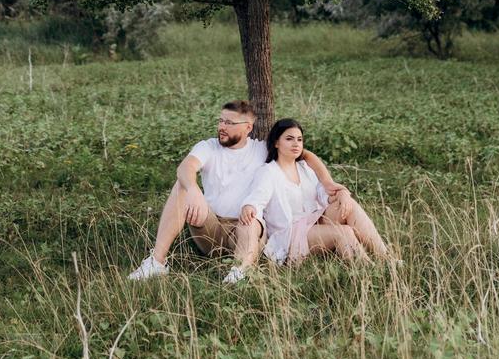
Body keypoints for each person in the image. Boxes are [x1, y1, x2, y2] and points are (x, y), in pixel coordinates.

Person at [127, 101, 350, 284]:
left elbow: (305, 155)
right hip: (210, 227)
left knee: (252, 218)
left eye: (230, 123)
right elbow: (185, 168)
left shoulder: (262, 149)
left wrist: (327, 181)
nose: (222, 126)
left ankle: (240, 272)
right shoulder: (208, 146)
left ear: (247, 128)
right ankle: (157, 262)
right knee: (181, 186)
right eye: (221, 120)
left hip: (246, 229)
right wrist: (193, 189)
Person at [239, 118, 388, 269]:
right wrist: (250, 207)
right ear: (276, 143)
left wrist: (341, 194)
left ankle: (386, 258)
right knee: (344, 232)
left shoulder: (305, 168)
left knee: (350, 204)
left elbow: (324, 195)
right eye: (289, 139)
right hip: (290, 234)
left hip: (314, 221)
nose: (296, 144)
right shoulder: (268, 172)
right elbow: (257, 198)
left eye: (299, 139)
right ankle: (368, 271)